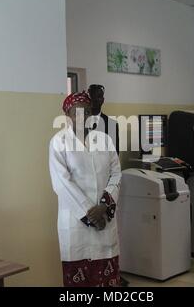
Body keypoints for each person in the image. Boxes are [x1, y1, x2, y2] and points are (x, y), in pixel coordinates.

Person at [49, 92, 122, 287]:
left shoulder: (105, 140)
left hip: (104, 216)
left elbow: (116, 174)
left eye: (87, 111)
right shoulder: (59, 142)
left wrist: (104, 206)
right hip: (76, 222)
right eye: (76, 112)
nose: (83, 116)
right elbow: (61, 183)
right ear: (67, 115)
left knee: (108, 280)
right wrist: (90, 214)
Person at [88, 84, 120, 155]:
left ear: (102, 100)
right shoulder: (79, 123)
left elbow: (115, 154)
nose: (95, 99)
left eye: (98, 96)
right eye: (92, 96)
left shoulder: (112, 125)